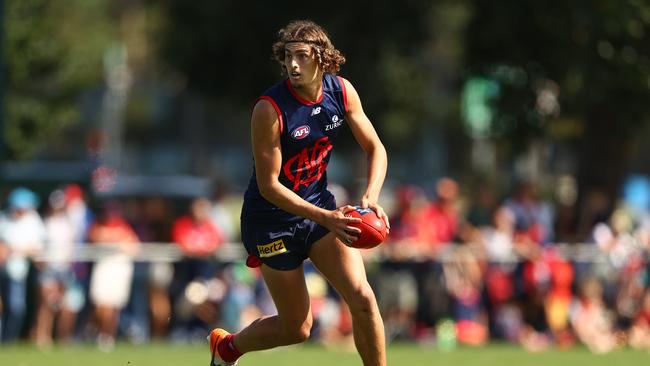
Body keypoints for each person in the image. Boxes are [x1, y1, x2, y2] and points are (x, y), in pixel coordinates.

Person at [208, 20, 389, 366]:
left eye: (302, 56)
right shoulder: (269, 109)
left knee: (363, 298)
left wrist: (371, 196)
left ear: (321, 58)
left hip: (320, 211)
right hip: (271, 221)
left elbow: (376, 148)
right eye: (288, 57)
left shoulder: (342, 92)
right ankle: (228, 348)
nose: (293, 65)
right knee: (297, 328)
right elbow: (269, 186)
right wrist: (329, 218)